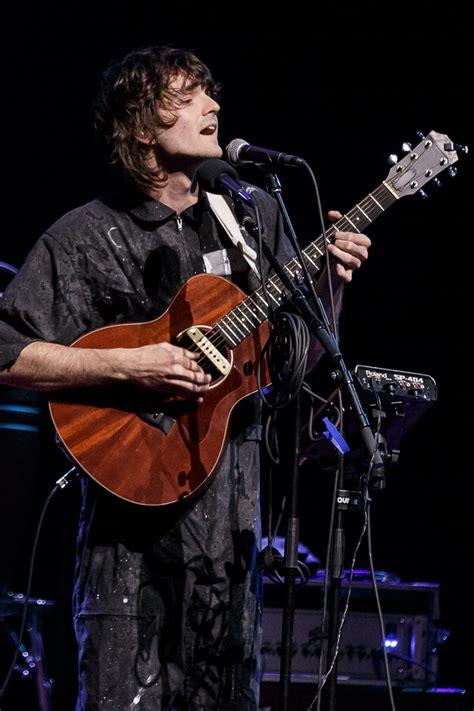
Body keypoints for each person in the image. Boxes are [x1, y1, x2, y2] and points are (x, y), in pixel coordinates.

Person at [0, 46, 371, 710]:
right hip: (128, 550)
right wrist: (133, 363)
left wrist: (329, 287)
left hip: (232, 543)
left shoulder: (253, 216)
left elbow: (287, 368)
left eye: (212, 93)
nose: (214, 107)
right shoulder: (83, 235)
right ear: (142, 125)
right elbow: (5, 351)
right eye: (190, 95)